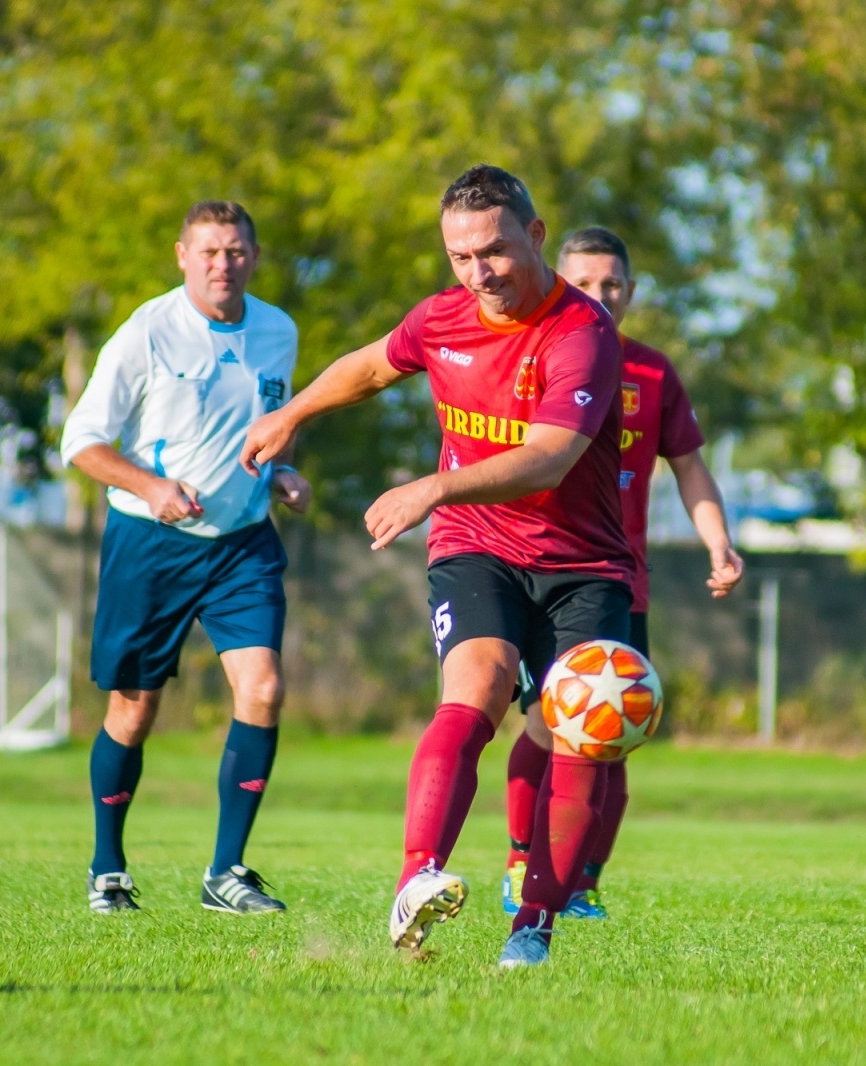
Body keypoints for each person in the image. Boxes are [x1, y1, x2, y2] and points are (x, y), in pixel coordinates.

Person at [241, 165, 631, 967]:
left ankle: (535, 925)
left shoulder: (582, 333)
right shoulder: (444, 318)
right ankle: (417, 878)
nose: (478, 273)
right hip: (478, 544)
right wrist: (292, 412)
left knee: (570, 733)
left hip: (583, 562)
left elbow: (550, 458)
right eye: (459, 257)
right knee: (477, 687)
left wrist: (434, 485)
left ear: (535, 235)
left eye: (492, 251)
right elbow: (373, 364)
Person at [60, 200, 309, 915]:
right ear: (181, 256)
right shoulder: (146, 333)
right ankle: (108, 868)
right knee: (133, 711)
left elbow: (267, 426)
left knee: (262, 690)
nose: (221, 265)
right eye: (207, 252)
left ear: (254, 258)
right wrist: (150, 485)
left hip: (242, 545)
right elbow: (82, 441)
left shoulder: (278, 332)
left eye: (234, 252)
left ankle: (227, 873)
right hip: (151, 544)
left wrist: (280, 471)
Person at [501, 226, 743, 920]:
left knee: (611, 736)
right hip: (536, 572)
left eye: (612, 284)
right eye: (585, 281)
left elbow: (690, 466)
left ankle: (582, 884)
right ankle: (523, 863)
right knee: (549, 725)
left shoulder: (652, 373)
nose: (599, 295)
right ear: (558, 279)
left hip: (616, 581)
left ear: (631, 293)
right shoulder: (531, 353)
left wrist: (718, 545)